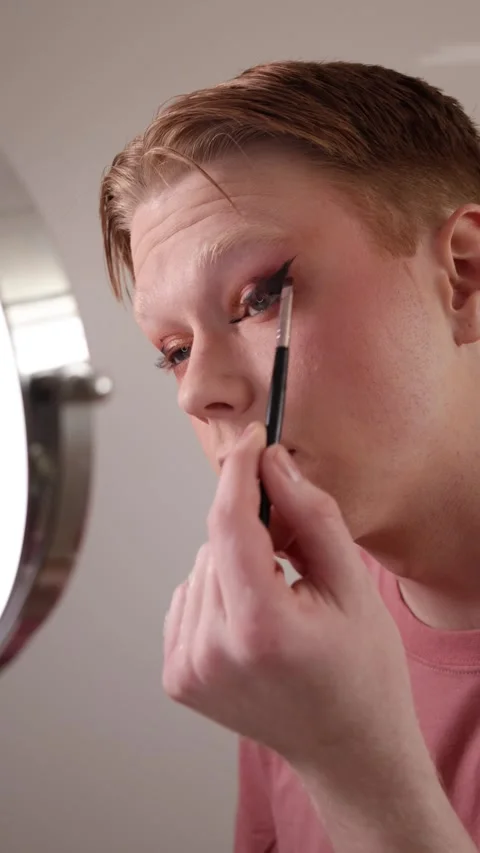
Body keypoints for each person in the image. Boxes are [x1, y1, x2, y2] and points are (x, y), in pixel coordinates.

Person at [99, 61, 480, 852]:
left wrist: (350, 767)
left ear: (464, 275)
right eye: (172, 349)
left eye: (258, 298)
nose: (196, 391)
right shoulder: (298, 647)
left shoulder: (309, 682)